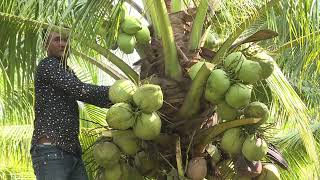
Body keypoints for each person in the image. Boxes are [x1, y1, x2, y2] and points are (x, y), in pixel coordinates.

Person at [30, 28, 111, 180]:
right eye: (57, 39)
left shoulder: (67, 71)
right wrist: (116, 91)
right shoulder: (48, 65)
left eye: (65, 40)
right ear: (45, 45)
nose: (62, 44)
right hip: (51, 151)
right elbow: (80, 90)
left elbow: (86, 94)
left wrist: (122, 100)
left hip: (71, 152)